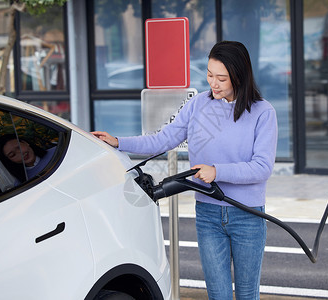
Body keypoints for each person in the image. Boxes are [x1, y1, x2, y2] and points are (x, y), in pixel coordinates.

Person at [92, 40, 278, 300]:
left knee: (247, 294)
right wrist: (119, 142)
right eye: (210, 75)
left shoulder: (262, 113)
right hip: (208, 214)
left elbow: (262, 167)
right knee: (218, 295)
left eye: (221, 78)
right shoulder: (198, 105)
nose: (213, 83)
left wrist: (217, 171)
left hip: (247, 216)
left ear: (239, 76)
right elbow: (162, 140)